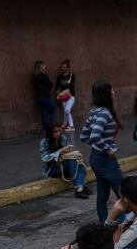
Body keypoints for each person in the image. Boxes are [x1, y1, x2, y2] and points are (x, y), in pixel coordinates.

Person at [80, 81, 123, 223]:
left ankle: (106, 226)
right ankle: (122, 226)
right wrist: (108, 150)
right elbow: (94, 136)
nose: (114, 93)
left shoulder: (94, 111)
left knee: (102, 196)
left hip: (96, 158)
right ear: (106, 94)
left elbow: (84, 136)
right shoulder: (104, 113)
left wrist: (98, 147)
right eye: (111, 90)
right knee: (124, 194)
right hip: (105, 159)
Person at [40, 123, 88, 199]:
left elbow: (67, 153)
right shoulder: (44, 142)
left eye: (59, 131)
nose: (58, 133)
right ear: (50, 132)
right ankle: (78, 187)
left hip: (64, 165)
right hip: (52, 168)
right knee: (74, 163)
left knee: (80, 165)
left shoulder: (62, 138)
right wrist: (60, 151)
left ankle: (80, 189)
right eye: (55, 132)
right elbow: (44, 158)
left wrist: (70, 152)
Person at [33, 60, 56, 131]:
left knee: (44, 113)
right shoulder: (44, 76)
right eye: (44, 65)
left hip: (38, 98)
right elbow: (50, 84)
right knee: (52, 111)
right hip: (46, 97)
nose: (45, 67)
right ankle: (51, 128)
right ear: (41, 67)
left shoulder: (35, 76)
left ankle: (46, 129)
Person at [55, 59, 76, 131]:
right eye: (62, 67)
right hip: (62, 96)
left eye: (64, 67)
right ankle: (65, 125)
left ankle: (71, 126)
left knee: (67, 110)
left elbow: (72, 85)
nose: (62, 68)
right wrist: (57, 91)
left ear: (68, 68)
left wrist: (66, 85)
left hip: (70, 96)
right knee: (66, 111)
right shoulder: (59, 77)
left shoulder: (72, 75)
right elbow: (56, 86)